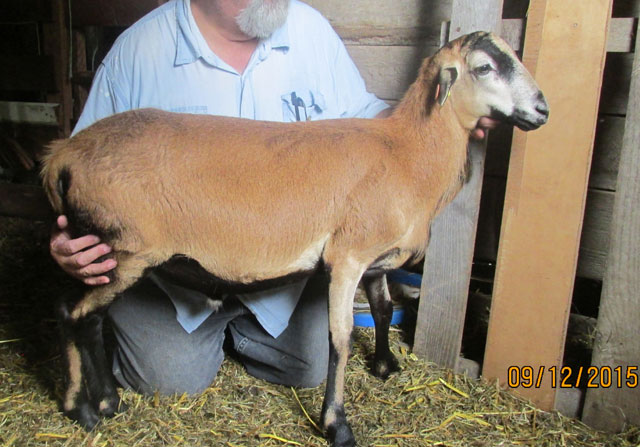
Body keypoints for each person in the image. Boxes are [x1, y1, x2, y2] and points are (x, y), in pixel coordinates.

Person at [49, 0, 390, 395]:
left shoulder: (311, 31)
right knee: (168, 381)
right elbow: (83, 172)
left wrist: (441, 117)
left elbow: (366, 115)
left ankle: (242, 329)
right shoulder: (138, 51)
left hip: (281, 271)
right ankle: (189, 339)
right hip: (178, 281)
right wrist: (67, 241)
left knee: (309, 366)